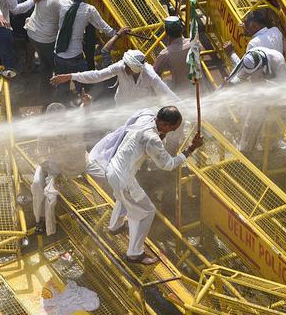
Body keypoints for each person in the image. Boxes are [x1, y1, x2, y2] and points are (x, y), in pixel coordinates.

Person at [97, 106, 203, 264]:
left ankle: (115, 226)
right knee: (147, 211)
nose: (170, 133)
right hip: (124, 179)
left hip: (113, 170)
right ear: (164, 124)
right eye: (171, 129)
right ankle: (134, 253)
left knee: (123, 199)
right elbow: (168, 164)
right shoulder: (152, 138)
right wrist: (190, 149)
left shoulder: (146, 118)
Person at [54, 0, 119, 101]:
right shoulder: (89, 10)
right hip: (75, 57)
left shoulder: (62, 3)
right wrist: (118, 33)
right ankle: (83, 104)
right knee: (83, 85)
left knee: (62, 83)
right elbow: (105, 28)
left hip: (58, 54)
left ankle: (63, 104)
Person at [25, 0, 78, 103]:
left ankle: (44, 92)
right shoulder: (60, 1)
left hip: (32, 32)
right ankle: (54, 97)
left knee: (44, 64)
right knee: (55, 66)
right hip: (46, 39)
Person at [32, 98, 90, 235]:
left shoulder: (74, 128)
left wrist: (87, 105)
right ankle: (42, 221)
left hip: (75, 163)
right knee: (37, 186)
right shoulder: (45, 131)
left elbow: (79, 150)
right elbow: (41, 153)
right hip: (53, 164)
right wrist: (48, 167)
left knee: (104, 174)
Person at [51, 49, 179, 106]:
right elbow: (98, 75)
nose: (124, 67)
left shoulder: (151, 76)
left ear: (136, 70)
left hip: (141, 112)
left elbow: (167, 94)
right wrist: (71, 76)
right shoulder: (121, 66)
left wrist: (185, 109)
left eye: (127, 66)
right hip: (121, 106)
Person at [224, 46, 286, 153]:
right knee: (253, 118)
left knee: (275, 119)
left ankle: (274, 144)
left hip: (276, 88)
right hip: (259, 90)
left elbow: (282, 86)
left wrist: (263, 85)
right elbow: (240, 77)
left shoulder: (278, 60)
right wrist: (231, 83)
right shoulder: (250, 58)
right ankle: (244, 148)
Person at [153, 16, 191, 91]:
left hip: (180, 91)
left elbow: (154, 75)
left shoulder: (165, 54)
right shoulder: (194, 43)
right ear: (181, 30)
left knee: (166, 82)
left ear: (166, 33)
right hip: (198, 86)